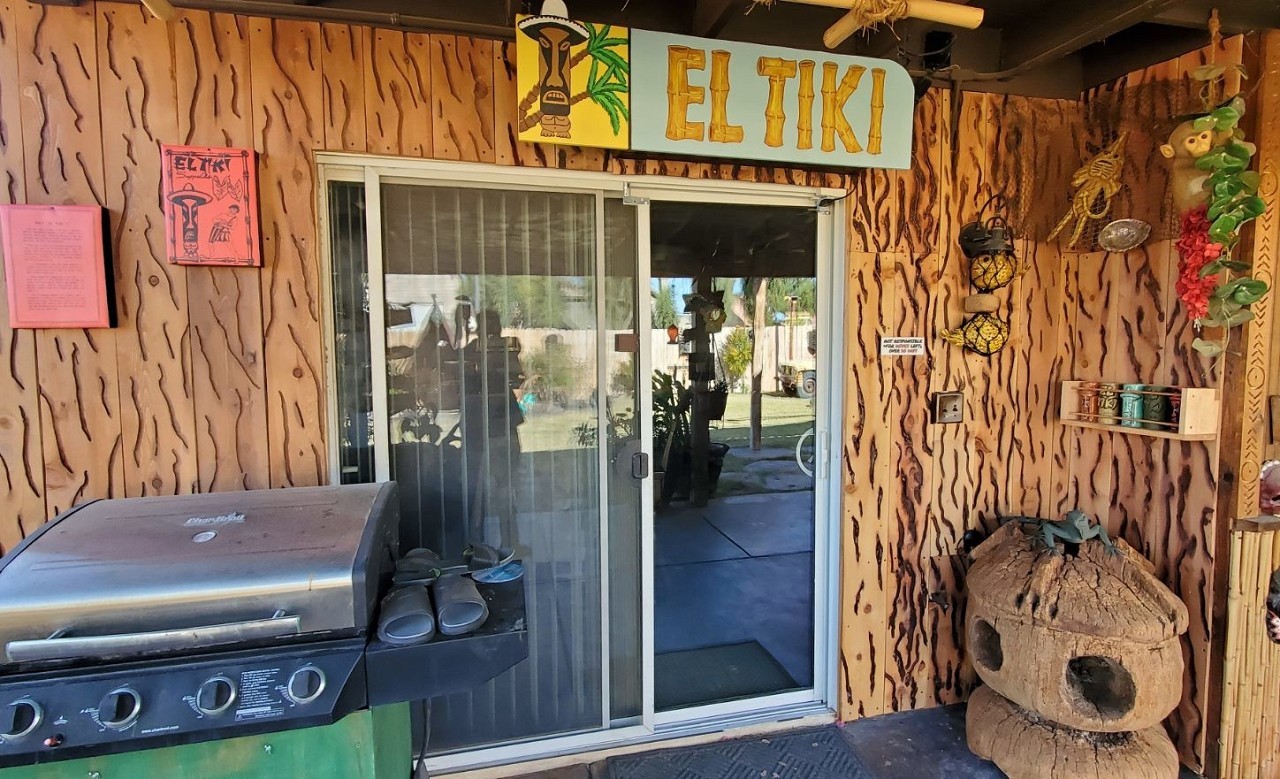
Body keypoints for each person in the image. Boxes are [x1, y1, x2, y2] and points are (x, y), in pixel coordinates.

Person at [460, 310, 525, 551]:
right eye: (489, 326)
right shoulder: (470, 351)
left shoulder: (507, 349)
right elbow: (462, 384)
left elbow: (518, 378)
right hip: (480, 424)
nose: (493, 332)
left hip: (502, 424)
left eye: (494, 326)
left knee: (505, 487)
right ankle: (476, 545)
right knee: (477, 490)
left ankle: (509, 542)